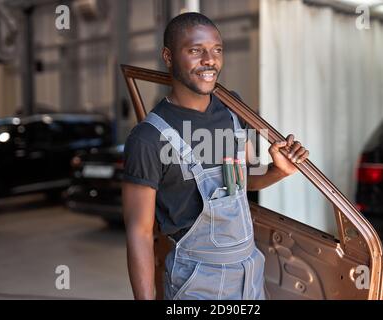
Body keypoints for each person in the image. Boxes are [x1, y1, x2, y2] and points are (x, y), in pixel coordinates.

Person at [122, 12, 309, 300]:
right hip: (197, 283)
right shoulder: (148, 138)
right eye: (196, 50)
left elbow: (245, 180)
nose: (210, 60)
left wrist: (278, 170)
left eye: (216, 50)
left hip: (250, 273)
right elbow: (140, 234)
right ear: (168, 57)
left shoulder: (233, 109)